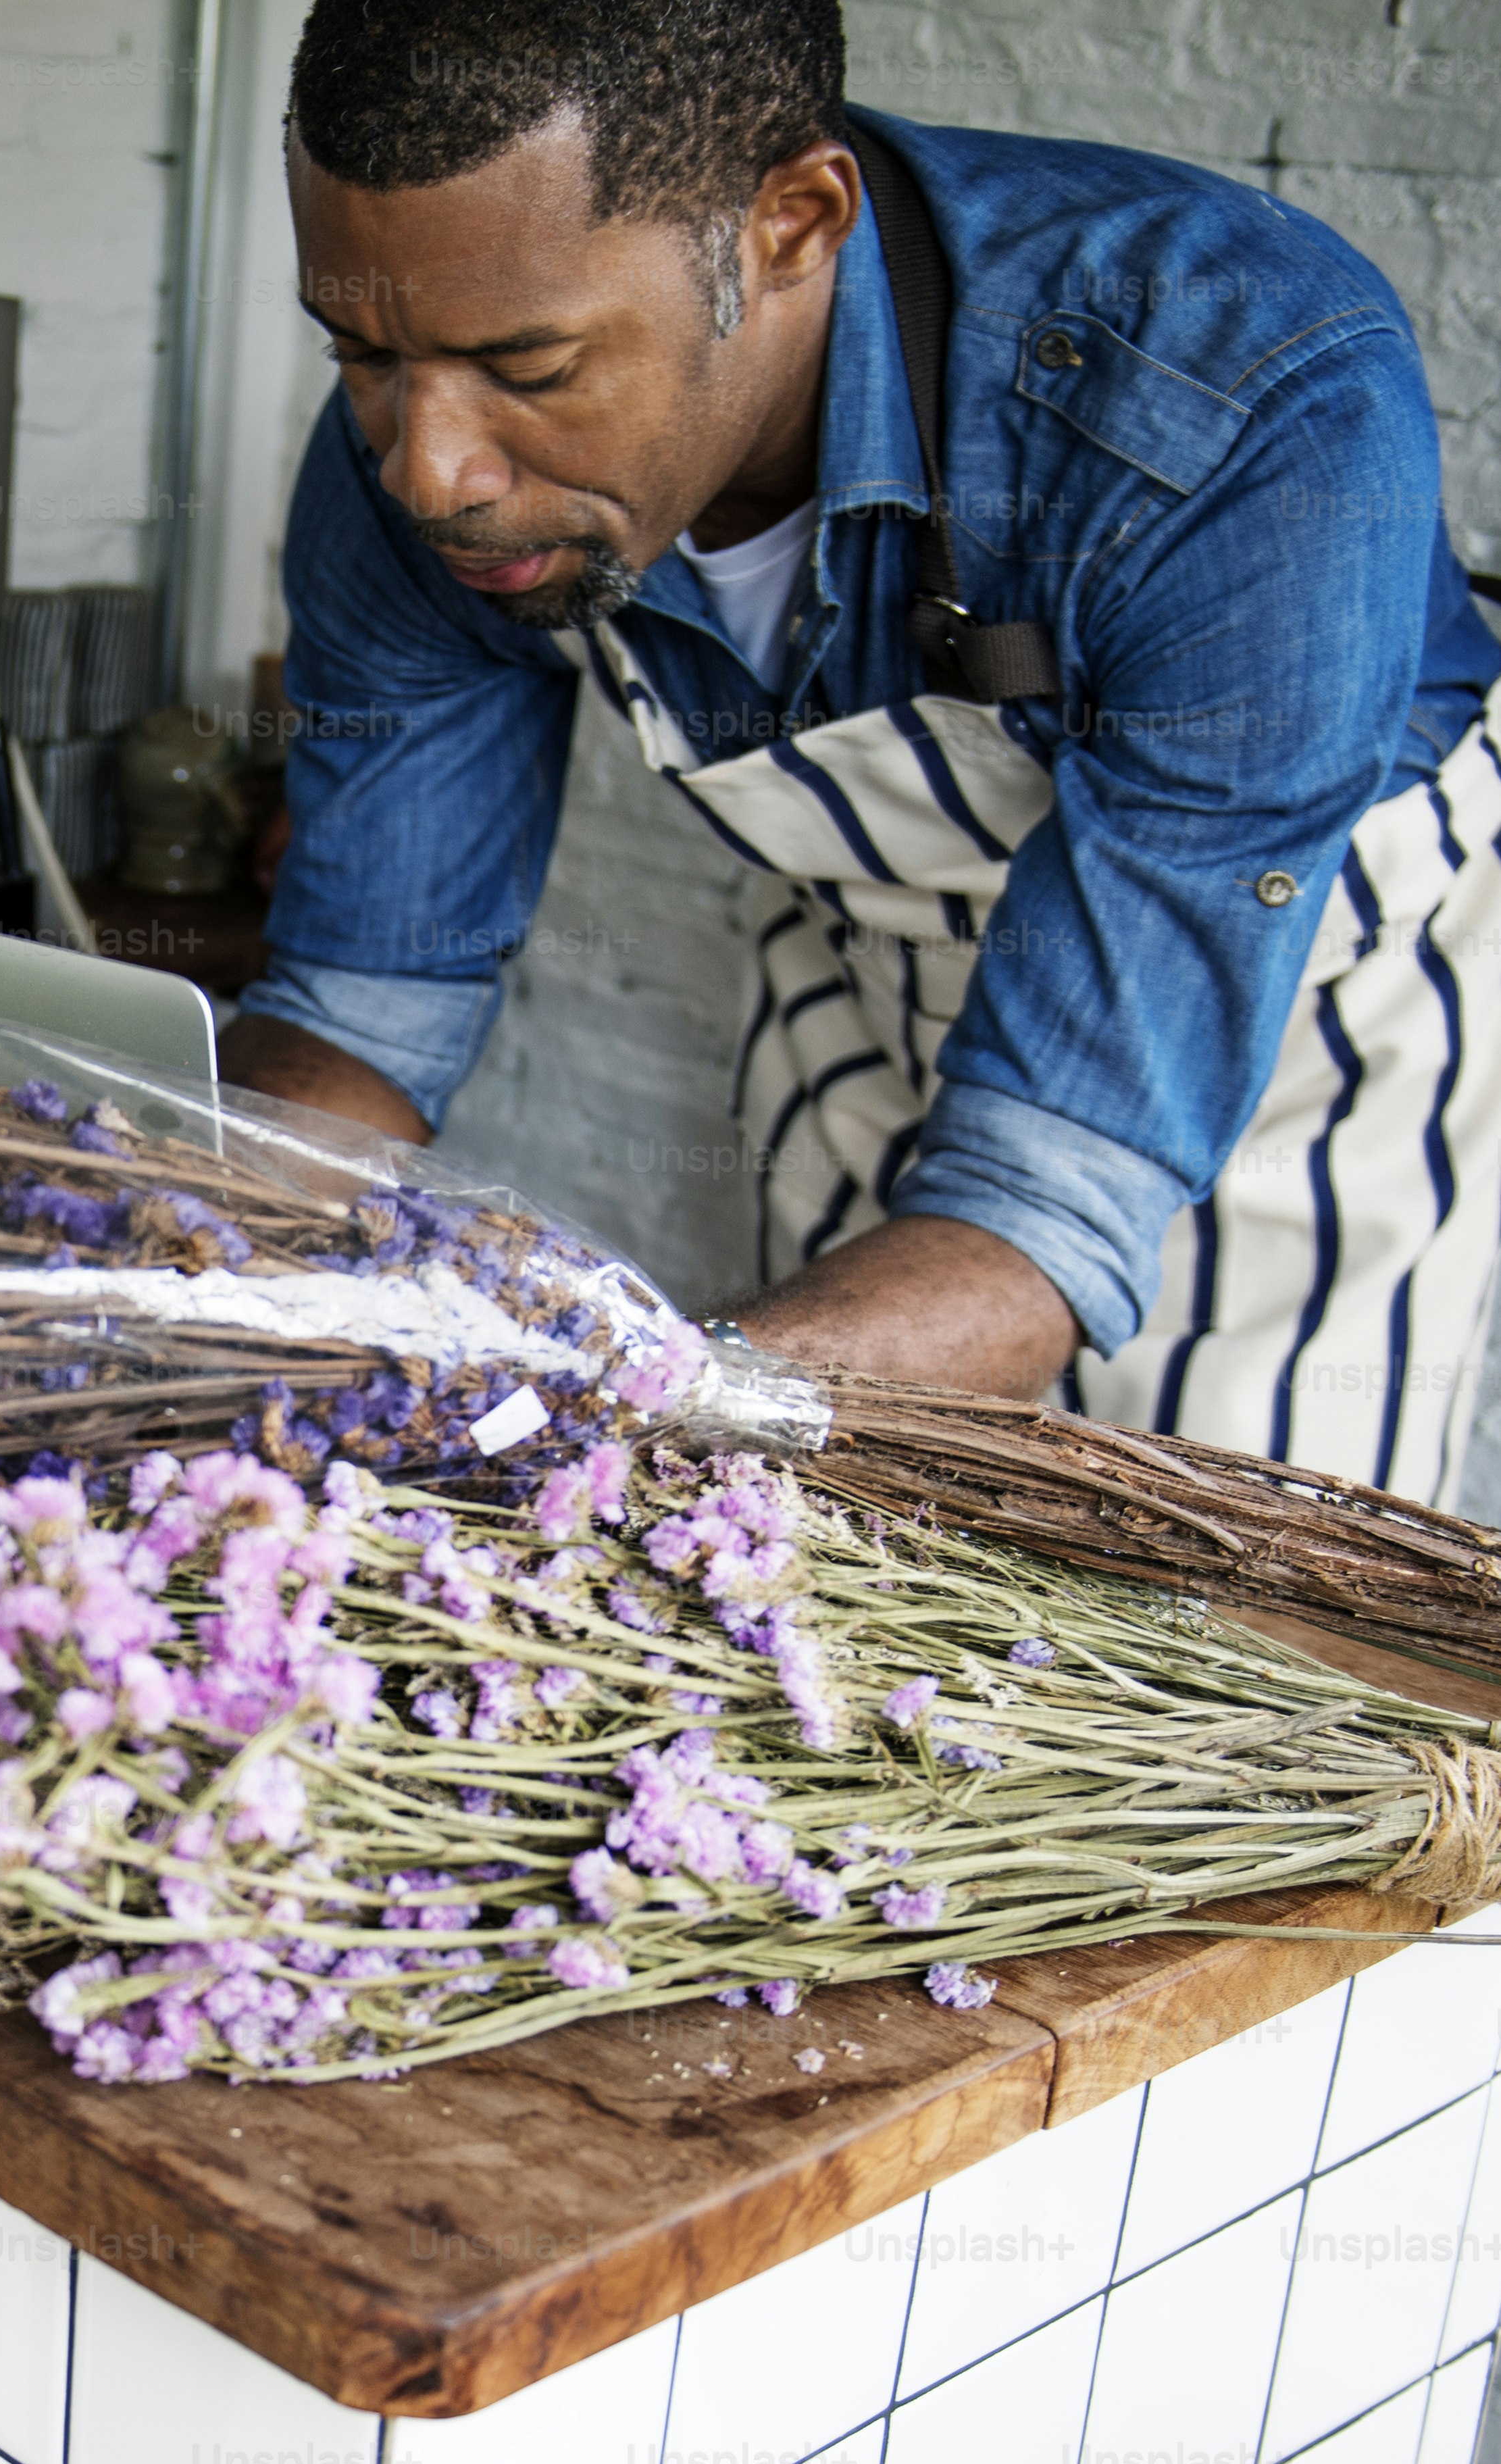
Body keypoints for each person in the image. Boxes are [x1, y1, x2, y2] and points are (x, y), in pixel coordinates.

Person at [233, 0, 1501, 1497]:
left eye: (530, 365)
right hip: (872, 964)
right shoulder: (416, 446)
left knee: (1222, 1609)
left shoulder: (1233, 398)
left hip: (1295, 1028)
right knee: (828, 1564)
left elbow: (1042, 1210)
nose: (428, 468)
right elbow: (369, 1005)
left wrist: (589, 1437)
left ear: (792, 223)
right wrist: (175, 1287)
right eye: (363, 354)